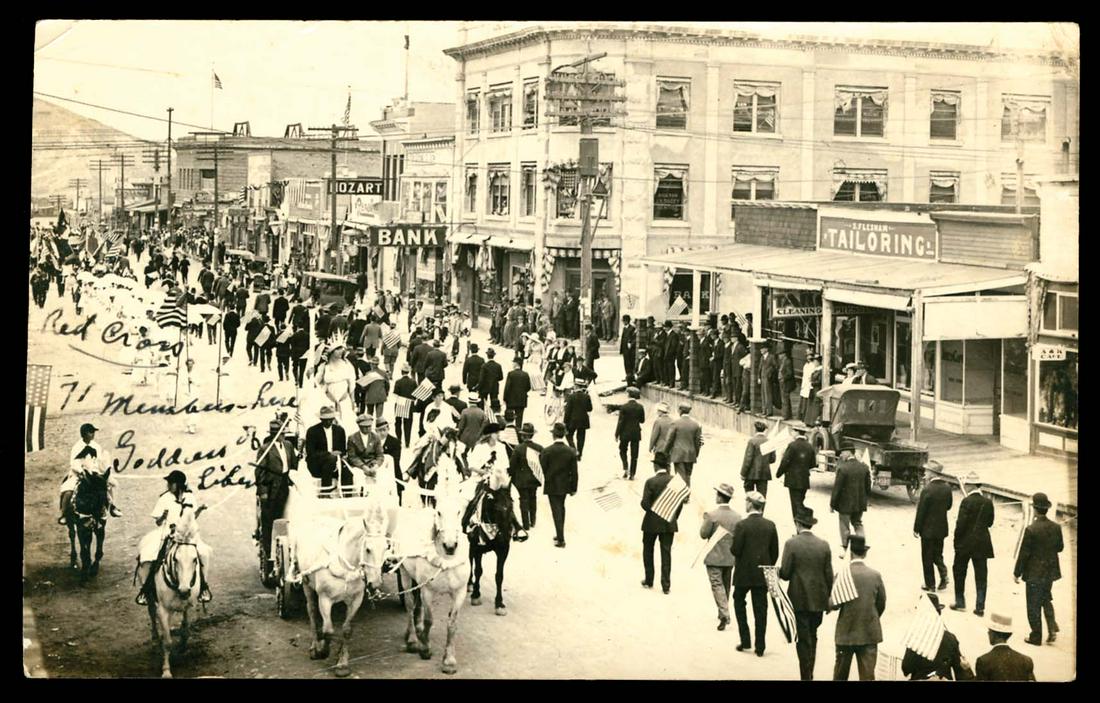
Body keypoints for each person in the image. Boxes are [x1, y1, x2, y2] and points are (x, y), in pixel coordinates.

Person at [135, 470, 212, 605]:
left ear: (179, 484)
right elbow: (158, 522)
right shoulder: (164, 498)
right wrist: (163, 517)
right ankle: (146, 590)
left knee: (204, 553)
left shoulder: (189, 497)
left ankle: (204, 587)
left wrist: (199, 510)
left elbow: (192, 517)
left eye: (171, 483)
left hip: (187, 535)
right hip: (167, 534)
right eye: (169, 483)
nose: (169, 485)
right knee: (149, 555)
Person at [779, 507, 832, 680]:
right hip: (818, 599)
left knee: (802, 639)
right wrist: (828, 598)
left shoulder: (791, 544)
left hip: (799, 598)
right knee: (812, 635)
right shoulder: (824, 545)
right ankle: (810, 670)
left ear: (797, 524)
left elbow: (786, 574)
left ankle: (806, 675)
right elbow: (829, 575)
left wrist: (777, 571)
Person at [731, 491, 778, 656]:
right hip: (761, 573)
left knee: (738, 601)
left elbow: (735, 550)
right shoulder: (770, 525)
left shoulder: (742, 525)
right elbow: (775, 552)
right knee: (761, 609)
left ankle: (745, 640)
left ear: (750, 504)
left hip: (743, 573)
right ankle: (760, 646)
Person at [831, 535, 885, 680]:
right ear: (865, 553)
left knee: (840, 676)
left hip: (846, 633)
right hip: (868, 631)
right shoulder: (875, 575)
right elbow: (881, 604)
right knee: (867, 677)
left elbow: (833, 604)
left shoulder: (843, 575)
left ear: (850, 553)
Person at [1013, 492, 1063, 646]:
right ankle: (1052, 627)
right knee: (1046, 598)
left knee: (1033, 605)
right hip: (1050, 572)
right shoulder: (1056, 527)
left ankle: (1036, 636)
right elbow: (1060, 548)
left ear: (1034, 509)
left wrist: (1017, 573)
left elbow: (1024, 554)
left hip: (1034, 573)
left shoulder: (1031, 529)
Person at [253, 419, 298, 579]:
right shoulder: (265, 449)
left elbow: (294, 465)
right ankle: (270, 560)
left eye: (282, 433)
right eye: (278, 433)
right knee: (269, 524)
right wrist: (263, 492)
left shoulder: (288, 446)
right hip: (271, 489)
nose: (281, 436)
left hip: (286, 486)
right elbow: (259, 472)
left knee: (285, 519)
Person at [59, 423, 122, 524]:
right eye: (91, 432)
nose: (93, 434)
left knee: (107, 486)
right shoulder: (77, 447)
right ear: (84, 434)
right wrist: (81, 471)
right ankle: (65, 514)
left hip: (94, 473)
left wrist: (103, 471)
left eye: (93, 432)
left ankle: (112, 506)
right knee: (67, 490)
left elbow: (99, 461)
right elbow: (74, 463)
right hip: (79, 474)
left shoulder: (96, 446)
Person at [901, 594, 974, 680]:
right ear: (938, 614)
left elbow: (906, 669)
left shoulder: (916, 638)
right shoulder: (950, 638)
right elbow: (960, 671)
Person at [700, 483, 741, 630]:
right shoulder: (737, 517)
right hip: (730, 557)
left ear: (719, 496)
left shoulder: (711, 515)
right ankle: (723, 611)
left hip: (714, 556)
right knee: (725, 585)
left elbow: (703, 534)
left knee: (717, 585)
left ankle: (724, 614)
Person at [640, 452, 682, 594]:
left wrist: (651, 507)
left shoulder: (650, 482)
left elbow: (645, 504)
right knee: (666, 553)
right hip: (669, 522)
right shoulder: (675, 481)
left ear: (656, 465)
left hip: (651, 523)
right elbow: (679, 504)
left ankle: (649, 580)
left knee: (648, 550)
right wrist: (672, 516)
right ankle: (666, 586)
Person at [951, 482, 995, 616]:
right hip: (982, 543)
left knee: (959, 571)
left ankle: (960, 602)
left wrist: (956, 540)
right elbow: (990, 522)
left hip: (965, 543)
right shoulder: (988, 502)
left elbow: (961, 524)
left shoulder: (966, 501)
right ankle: (980, 606)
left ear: (970, 486)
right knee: (981, 576)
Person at [540, 422, 578, 548]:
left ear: (554, 435)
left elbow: (543, 468)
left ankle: (561, 539)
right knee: (561, 508)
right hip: (565, 485)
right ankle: (559, 532)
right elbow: (575, 472)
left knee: (556, 510)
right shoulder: (571, 451)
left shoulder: (547, 451)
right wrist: (574, 488)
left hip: (552, 485)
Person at [914, 474, 953, 592]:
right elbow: (949, 506)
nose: (925, 474)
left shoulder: (927, 489)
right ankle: (943, 573)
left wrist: (916, 528)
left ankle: (930, 585)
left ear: (932, 474)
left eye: (928, 471)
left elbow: (921, 511)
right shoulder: (947, 488)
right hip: (941, 528)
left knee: (927, 557)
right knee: (938, 554)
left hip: (927, 529)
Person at [830, 449, 870, 556]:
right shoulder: (864, 467)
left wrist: (832, 504)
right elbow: (868, 488)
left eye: (842, 453)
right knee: (858, 523)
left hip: (845, 504)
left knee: (844, 525)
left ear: (848, 452)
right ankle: (860, 547)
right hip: (859, 503)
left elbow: (837, 489)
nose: (841, 455)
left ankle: (845, 549)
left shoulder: (843, 468)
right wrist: (863, 499)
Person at [975, 613, 1036, 681]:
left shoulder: (983, 661)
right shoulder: (1026, 660)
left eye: (989, 631)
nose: (988, 633)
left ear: (993, 635)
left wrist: (968, 671)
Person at [508, 423, 543, 530]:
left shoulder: (518, 449)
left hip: (521, 480)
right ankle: (533, 521)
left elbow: (512, 465)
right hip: (534, 478)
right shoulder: (539, 448)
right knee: (533, 498)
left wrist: (512, 477)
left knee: (523, 500)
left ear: (523, 435)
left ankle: (526, 524)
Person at [664, 403, 703, 494]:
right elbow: (698, 442)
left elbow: (669, 439)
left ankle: (683, 495)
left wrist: (666, 452)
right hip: (691, 454)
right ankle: (686, 493)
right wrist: (696, 453)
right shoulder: (696, 424)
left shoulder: (675, 423)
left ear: (680, 410)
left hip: (678, 453)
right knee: (688, 475)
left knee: (680, 476)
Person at [776, 427, 815, 518]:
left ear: (797, 432)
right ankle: (802, 524)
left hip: (793, 480)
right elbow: (813, 464)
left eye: (793, 431)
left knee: (795, 505)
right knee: (800, 501)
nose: (792, 433)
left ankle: (799, 526)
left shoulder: (792, 445)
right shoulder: (809, 446)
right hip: (804, 479)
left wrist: (779, 473)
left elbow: (785, 461)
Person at [305, 406, 347, 489]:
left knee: (347, 469)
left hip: (336, 462)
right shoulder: (312, 431)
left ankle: (348, 495)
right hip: (317, 464)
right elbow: (311, 452)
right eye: (326, 419)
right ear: (321, 419)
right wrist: (329, 454)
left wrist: (340, 454)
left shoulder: (340, 430)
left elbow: (343, 450)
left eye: (331, 419)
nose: (328, 422)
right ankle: (325, 492)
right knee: (330, 460)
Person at [615, 387, 646, 480]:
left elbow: (620, 422)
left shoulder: (624, 407)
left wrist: (617, 434)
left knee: (622, 450)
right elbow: (642, 420)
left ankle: (625, 467)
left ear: (629, 395)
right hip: (636, 433)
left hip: (625, 433)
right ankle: (632, 473)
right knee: (634, 454)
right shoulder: (640, 407)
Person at [740, 421, 774, 501]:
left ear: (755, 429)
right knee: (762, 497)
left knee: (749, 495)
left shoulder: (752, 441)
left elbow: (748, 459)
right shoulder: (769, 441)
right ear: (764, 430)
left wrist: (743, 473)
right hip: (764, 473)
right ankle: (760, 512)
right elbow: (772, 459)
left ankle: (751, 511)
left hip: (751, 474)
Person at [563, 377, 593, 460]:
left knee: (568, 435)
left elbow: (568, 411)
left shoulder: (571, 397)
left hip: (572, 420)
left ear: (576, 386)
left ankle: (574, 450)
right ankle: (580, 454)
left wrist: (565, 421)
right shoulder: (587, 396)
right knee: (581, 438)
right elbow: (590, 408)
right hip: (583, 420)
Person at [456, 394, 490, 459]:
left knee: (463, 456)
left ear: (469, 402)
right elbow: (484, 426)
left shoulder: (465, 412)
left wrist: (458, 435)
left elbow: (461, 426)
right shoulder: (482, 413)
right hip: (477, 438)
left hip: (465, 438)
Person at [503, 357, 532, 430]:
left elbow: (507, 388)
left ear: (516, 364)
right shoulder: (525, 374)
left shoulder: (511, 374)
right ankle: (518, 433)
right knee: (519, 419)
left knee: (509, 418)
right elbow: (528, 387)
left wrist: (505, 398)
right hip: (521, 400)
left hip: (511, 400)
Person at [393, 365, 417, 448]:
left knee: (398, 423)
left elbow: (395, 394)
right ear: (408, 372)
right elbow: (415, 395)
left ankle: (399, 440)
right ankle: (407, 442)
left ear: (401, 372)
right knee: (408, 424)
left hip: (400, 403)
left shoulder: (398, 382)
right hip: (409, 404)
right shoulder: (413, 382)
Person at [479, 348, 504, 413]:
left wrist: (479, 387)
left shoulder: (484, 366)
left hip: (485, 387)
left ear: (487, 356)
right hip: (494, 387)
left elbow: (481, 378)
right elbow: (501, 377)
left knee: (483, 404)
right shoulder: (498, 366)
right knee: (494, 403)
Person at [778, 346, 796, 420]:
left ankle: (785, 415)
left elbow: (789, 373)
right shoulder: (783, 361)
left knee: (785, 399)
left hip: (786, 383)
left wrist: (783, 378)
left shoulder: (787, 361)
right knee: (785, 399)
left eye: (780, 354)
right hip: (783, 383)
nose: (779, 356)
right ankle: (787, 414)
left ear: (783, 354)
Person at [620, 315, 636, 384]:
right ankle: (627, 376)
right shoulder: (624, 328)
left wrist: (630, 344)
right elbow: (623, 339)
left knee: (630, 363)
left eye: (624, 321)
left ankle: (631, 377)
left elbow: (633, 339)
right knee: (626, 364)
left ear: (627, 321)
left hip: (630, 350)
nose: (623, 322)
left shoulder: (632, 328)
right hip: (625, 349)